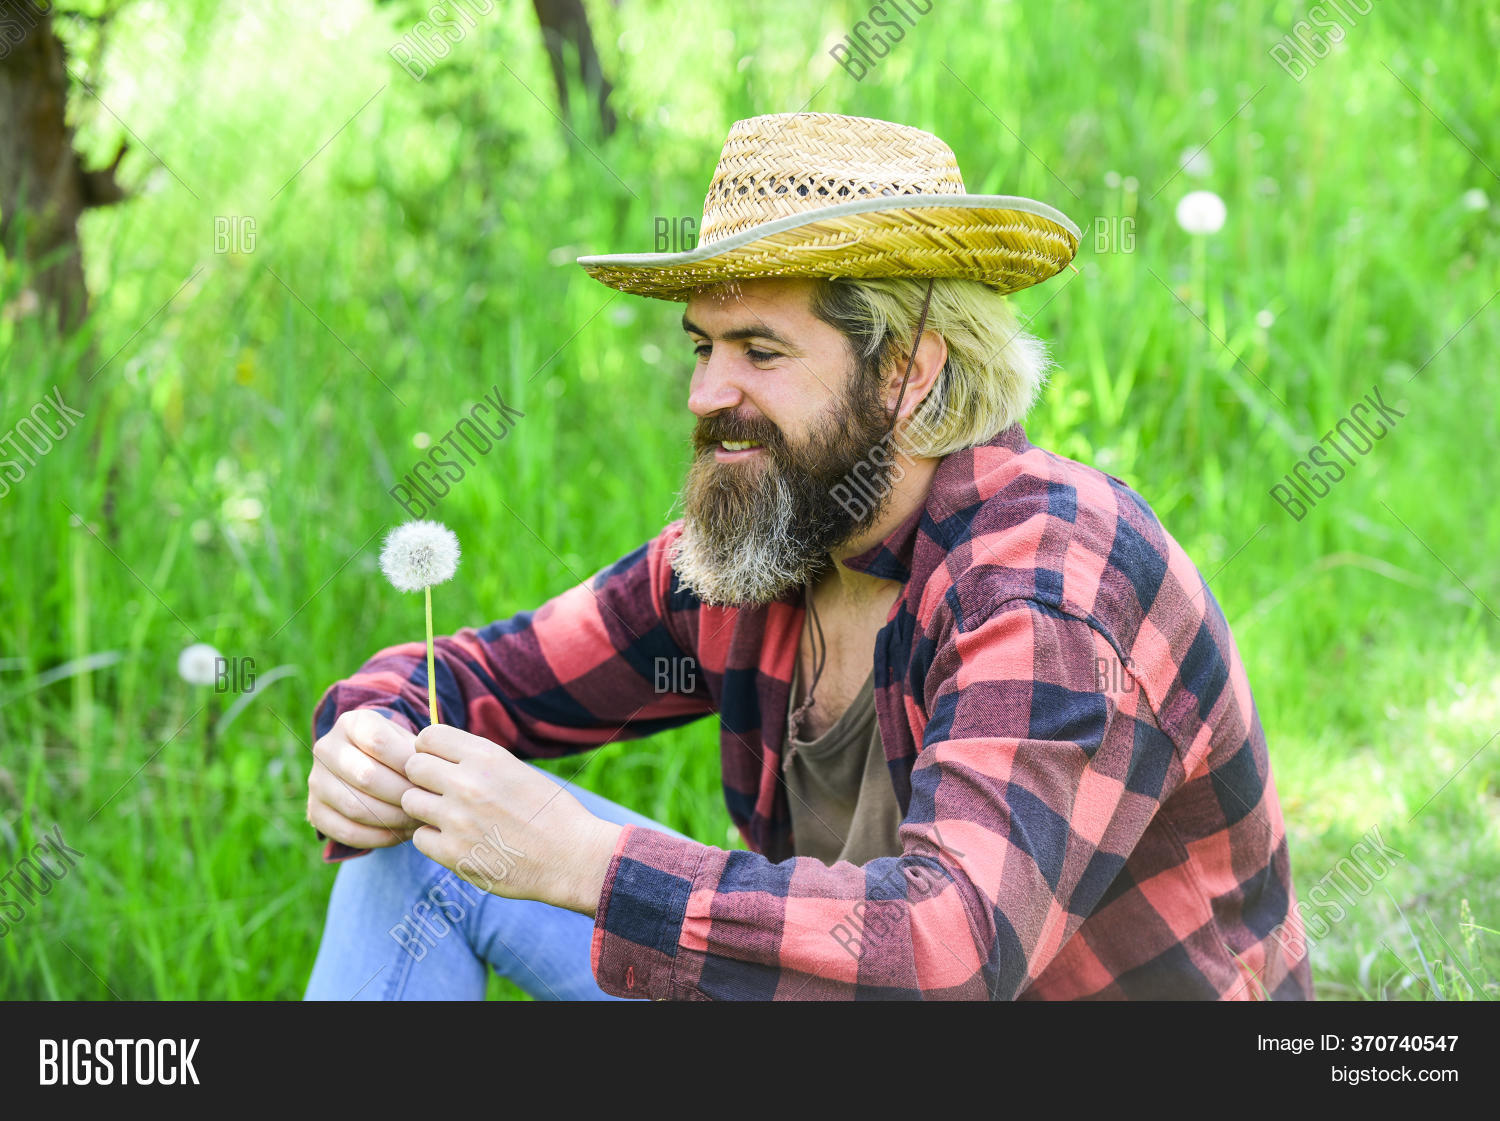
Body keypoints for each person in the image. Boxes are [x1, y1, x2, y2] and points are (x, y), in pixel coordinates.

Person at [304, 112, 1313, 1000]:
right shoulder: (772, 542)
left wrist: (593, 863)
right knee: (418, 850)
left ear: (909, 373)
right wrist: (369, 729)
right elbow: (482, 677)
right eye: (703, 347)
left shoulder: (1048, 580)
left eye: (761, 350)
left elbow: (948, 953)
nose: (706, 393)